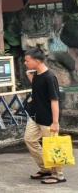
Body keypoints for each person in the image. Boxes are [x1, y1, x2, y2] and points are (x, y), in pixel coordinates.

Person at [23, 48, 65, 184]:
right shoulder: (36, 75)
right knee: (29, 139)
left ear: (37, 61)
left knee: (52, 147)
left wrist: (55, 122)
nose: (25, 63)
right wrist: (30, 75)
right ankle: (46, 168)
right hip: (35, 116)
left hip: (48, 119)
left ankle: (58, 175)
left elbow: (55, 100)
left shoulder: (49, 77)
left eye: (27, 60)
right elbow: (38, 91)